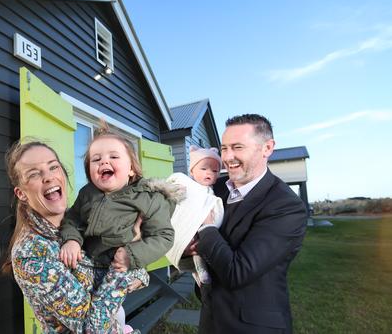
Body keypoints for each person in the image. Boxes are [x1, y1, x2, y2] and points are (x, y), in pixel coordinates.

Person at [2, 140, 148, 333]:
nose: (48, 177)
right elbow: (92, 327)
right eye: (34, 174)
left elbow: (140, 273)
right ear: (21, 193)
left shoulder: (84, 220)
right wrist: (125, 265)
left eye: (53, 167)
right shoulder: (31, 253)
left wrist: (134, 269)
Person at [193, 114, 307, 334]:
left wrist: (205, 229)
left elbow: (238, 272)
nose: (228, 157)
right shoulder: (214, 189)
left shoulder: (286, 206)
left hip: (253, 326)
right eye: (224, 148)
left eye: (237, 147)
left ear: (267, 148)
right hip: (210, 319)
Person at [59, 125, 180, 332]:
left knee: (104, 319)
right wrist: (71, 239)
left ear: (132, 168)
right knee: (91, 311)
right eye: (96, 159)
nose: (104, 161)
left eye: (113, 157)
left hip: (122, 266)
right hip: (90, 264)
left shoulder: (148, 198)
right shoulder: (87, 194)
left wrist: (131, 254)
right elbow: (72, 218)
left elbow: (164, 235)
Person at [165, 145, 224, 286]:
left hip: (201, 230)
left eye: (214, 170)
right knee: (192, 243)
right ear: (192, 170)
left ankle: (199, 272)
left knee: (200, 246)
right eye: (203, 169)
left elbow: (211, 206)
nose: (208, 173)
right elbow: (173, 189)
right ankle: (198, 271)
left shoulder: (211, 192)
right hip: (185, 227)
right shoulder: (186, 184)